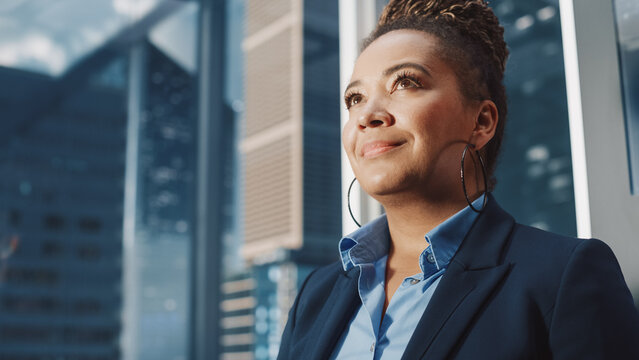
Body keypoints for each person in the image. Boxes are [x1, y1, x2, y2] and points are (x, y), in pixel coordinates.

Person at [277, 0, 639, 359]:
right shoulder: (315, 295)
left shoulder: (564, 277)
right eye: (354, 98)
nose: (366, 115)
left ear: (481, 122)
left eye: (404, 82)